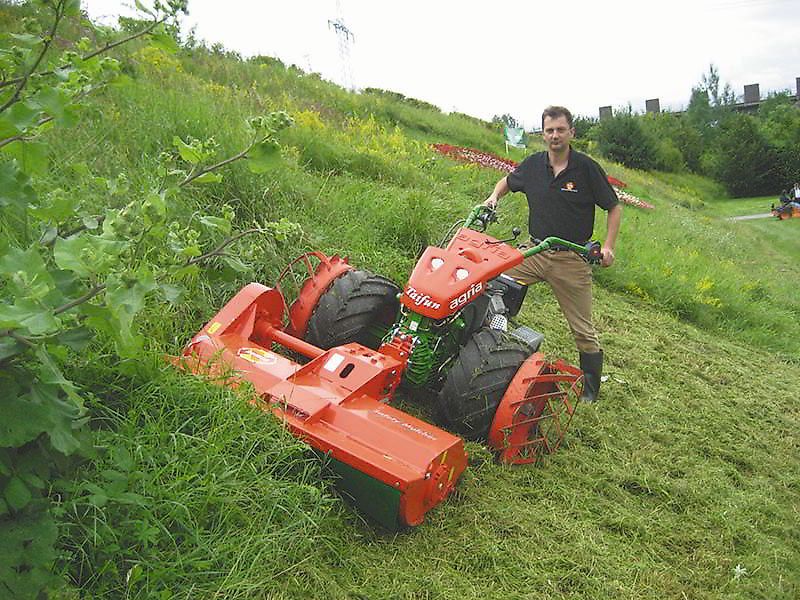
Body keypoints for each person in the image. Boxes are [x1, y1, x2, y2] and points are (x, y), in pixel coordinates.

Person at [484, 105, 622, 403]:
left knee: (582, 329)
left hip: (571, 257)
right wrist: (493, 198)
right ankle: (492, 340)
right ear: (543, 134)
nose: (555, 135)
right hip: (535, 250)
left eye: (560, 129)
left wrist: (608, 246)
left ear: (572, 132)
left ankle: (589, 391)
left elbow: (613, 206)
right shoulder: (533, 166)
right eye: (549, 130)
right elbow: (506, 183)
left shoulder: (586, 168)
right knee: (490, 281)